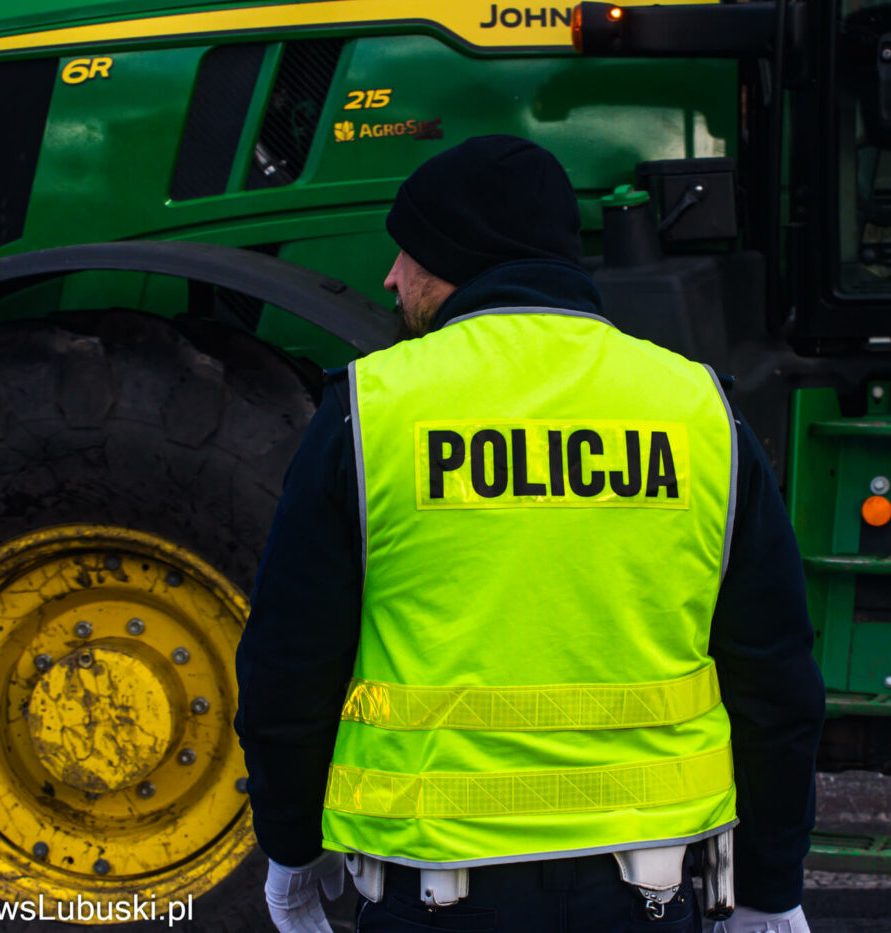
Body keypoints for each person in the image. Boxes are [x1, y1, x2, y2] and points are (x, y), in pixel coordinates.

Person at [235, 134, 826, 933]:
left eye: (404, 253)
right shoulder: (699, 410)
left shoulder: (370, 412)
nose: (390, 277)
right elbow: (775, 680)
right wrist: (769, 885)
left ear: (454, 256)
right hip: (649, 894)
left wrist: (293, 848)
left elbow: (288, 667)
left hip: (433, 895)